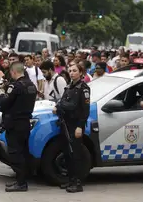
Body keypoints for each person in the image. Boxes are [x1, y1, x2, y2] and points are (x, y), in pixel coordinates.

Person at [0, 61, 37, 192]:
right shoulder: (31, 85)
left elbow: (3, 104)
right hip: (25, 122)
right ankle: (22, 180)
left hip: (14, 124)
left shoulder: (15, 86)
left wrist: (2, 92)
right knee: (23, 152)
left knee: (15, 153)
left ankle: (21, 183)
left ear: (14, 72)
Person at [53, 63, 90, 193]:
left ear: (80, 72)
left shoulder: (83, 88)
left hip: (75, 124)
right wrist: (58, 106)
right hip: (65, 123)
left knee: (76, 154)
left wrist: (80, 126)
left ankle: (77, 182)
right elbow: (61, 101)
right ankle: (71, 179)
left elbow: (84, 110)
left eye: (74, 70)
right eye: (70, 70)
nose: (72, 72)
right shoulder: (69, 87)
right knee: (67, 153)